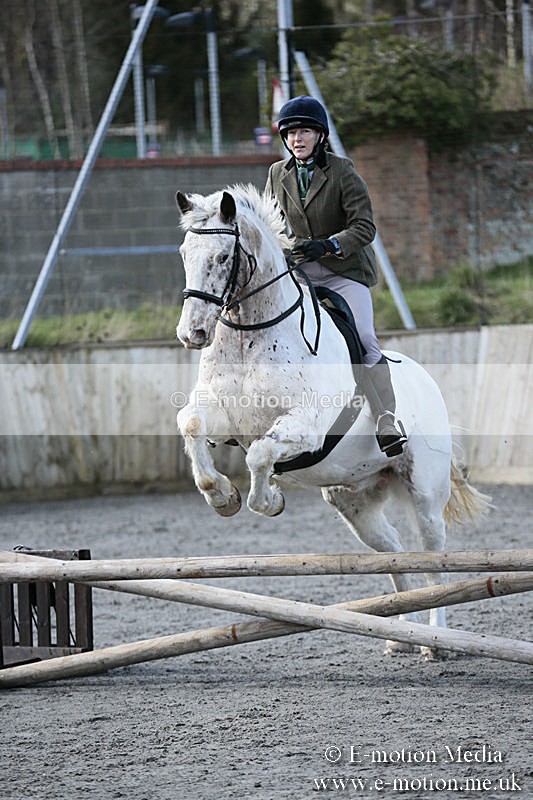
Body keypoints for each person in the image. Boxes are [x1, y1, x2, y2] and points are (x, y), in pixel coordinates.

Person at [265, 95, 407, 457]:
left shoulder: (343, 171)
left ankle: (387, 420)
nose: (297, 139)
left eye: (305, 132)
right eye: (291, 132)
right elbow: (270, 224)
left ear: (320, 136)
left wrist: (327, 245)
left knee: (363, 338)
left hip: (343, 270)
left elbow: (364, 227)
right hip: (300, 272)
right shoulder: (276, 174)